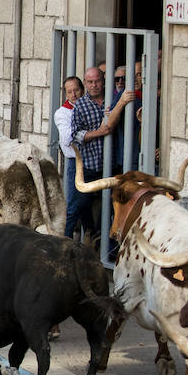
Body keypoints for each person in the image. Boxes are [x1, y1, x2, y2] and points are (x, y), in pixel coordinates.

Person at [69, 67, 111, 245]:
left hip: (111, 167)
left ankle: (105, 246)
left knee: (111, 208)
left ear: (103, 81)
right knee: (76, 207)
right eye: (90, 82)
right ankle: (60, 242)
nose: (94, 85)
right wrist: (99, 132)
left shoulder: (112, 100)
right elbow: (76, 135)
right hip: (90, 166)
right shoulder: (81, 105)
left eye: (97, 81)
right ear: (85, 84)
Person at [56, 76, 94, 241]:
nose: (73, 94)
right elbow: (67, 139)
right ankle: (64, 242)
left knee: (86, 203)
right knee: (73, 205)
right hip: (75, 162)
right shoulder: (62, 113)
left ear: (82, 89)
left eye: (76, 90)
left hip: (93, 159)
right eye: (69, 91)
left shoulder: (90, 105)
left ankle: (92, 236)